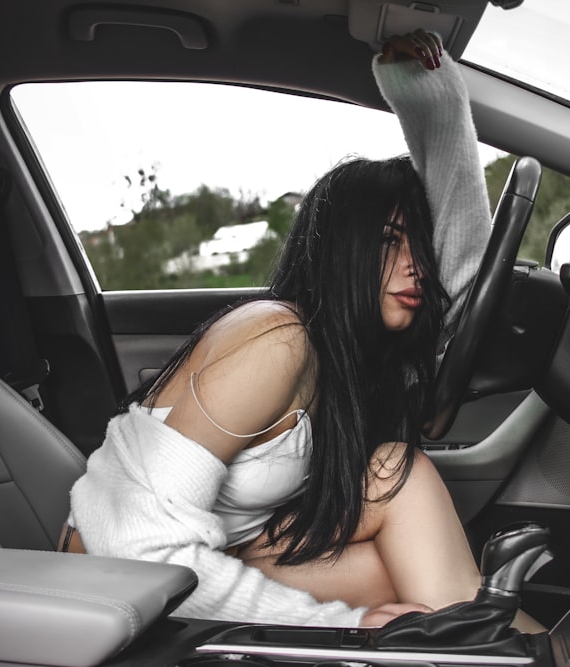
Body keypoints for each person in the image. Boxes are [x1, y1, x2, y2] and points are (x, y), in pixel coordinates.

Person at [67, 31, 497, 628]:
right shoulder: (277, 339)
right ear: (340, 254)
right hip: (113, 579)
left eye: (419, 247)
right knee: (401, 544)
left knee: (402, 489)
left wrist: (438, 101)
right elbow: (140, 548)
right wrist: (342, 625)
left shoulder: (359, 355)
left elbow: (464, 274)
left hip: (226, 544)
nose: (415, 267)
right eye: (388, 244)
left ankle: (500, 643)